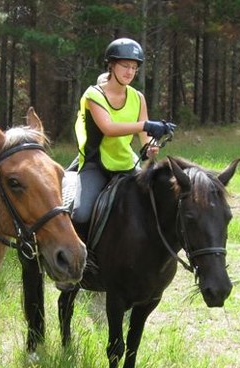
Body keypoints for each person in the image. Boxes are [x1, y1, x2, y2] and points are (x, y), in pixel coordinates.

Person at [72, 37, 176, 242]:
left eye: (134, 67)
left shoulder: (138, 97)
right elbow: (109, 128)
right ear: (111, 65)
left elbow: (144, 138)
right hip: (96, 165)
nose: (130, 72)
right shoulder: (94, 95)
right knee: (81, 214)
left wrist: (150, 147)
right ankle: (82, 260)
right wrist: (147, 125)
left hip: (126, 164)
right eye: (125, 65)